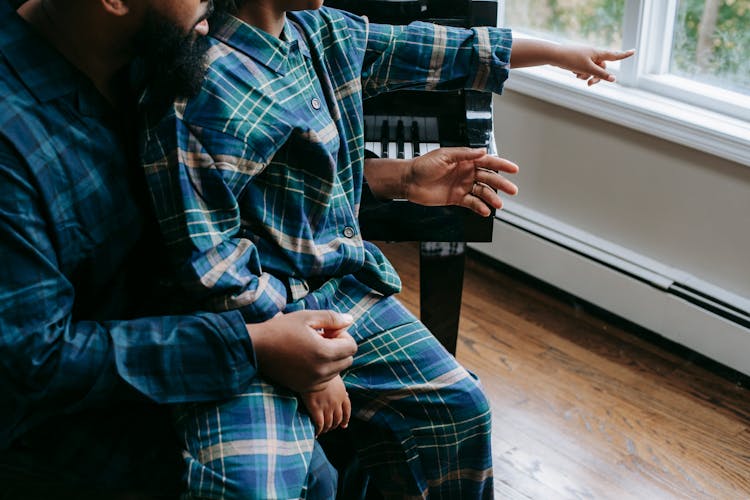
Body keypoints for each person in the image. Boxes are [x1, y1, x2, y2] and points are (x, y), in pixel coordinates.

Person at [139, 1, 632, 499]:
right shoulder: (198, 88)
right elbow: (212, 265)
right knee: (255, 488)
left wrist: (561, 52)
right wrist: (315, 369)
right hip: (251, 319)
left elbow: (441, 48)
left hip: (338, 288)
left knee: (462, 408)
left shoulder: (325, 33)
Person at [0, 0, 361, 497]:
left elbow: (245, 188)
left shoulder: (157, 44)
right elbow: (37, 362)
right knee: (278, 483)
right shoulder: (12, 141)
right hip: (76, 416)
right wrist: (250, 345)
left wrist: (394, 180)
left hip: (201, 322)